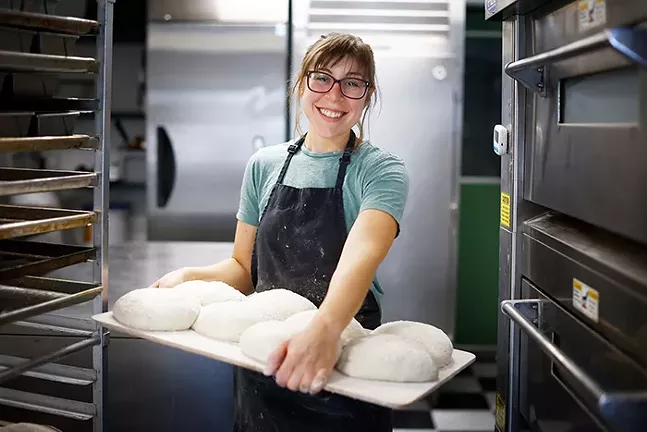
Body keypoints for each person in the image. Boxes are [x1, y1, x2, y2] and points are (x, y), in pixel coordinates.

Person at [150, 32, 410, 432]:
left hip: (343, 354)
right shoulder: (264, 164)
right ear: (301, 84)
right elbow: (242, 267)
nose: (335, 96)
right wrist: (188, 277)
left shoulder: (379, 170)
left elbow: (363, 253)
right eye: (322, 78)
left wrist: (324, 330)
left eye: (352, 84)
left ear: (368, 95)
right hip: (266, 358)